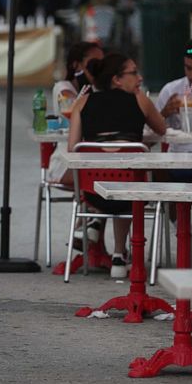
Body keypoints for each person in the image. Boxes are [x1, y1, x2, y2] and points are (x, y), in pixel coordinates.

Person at [67, 52, 166, 278]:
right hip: (132, 192)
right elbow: (162, 129)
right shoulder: (140, 99)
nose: (139, 78)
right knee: (128, 185)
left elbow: (73, 148)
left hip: (93, 193)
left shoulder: (82, 102)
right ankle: (119, 255)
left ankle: (94, 221)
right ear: (116, 79)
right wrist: (134, 144)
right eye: (133, 73)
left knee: (114, 183)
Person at [46, 41, 104, 185]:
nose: (98, 68)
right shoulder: (63, 88)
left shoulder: (98, 89)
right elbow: (76, 109)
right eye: (93, 63)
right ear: (76, 65)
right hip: (66, 162)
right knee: (98, 180)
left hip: (92, 158)